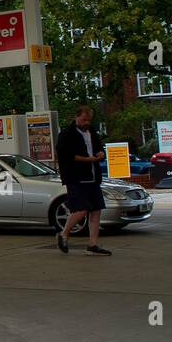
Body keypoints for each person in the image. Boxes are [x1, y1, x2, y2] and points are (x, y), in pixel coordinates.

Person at [55, 105, 111, 256]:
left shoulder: (91, 132)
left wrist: (100, 153)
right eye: (84, 119)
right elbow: (66, 156)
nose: (87, 122)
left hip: (93, 177)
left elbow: (99, 148)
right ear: (77, 117)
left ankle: (92, 244)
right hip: (76, 178)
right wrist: (88, 159)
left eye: (89, 120)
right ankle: (64, 233)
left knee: (96, 211)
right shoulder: (66, 134)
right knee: (80, 210)